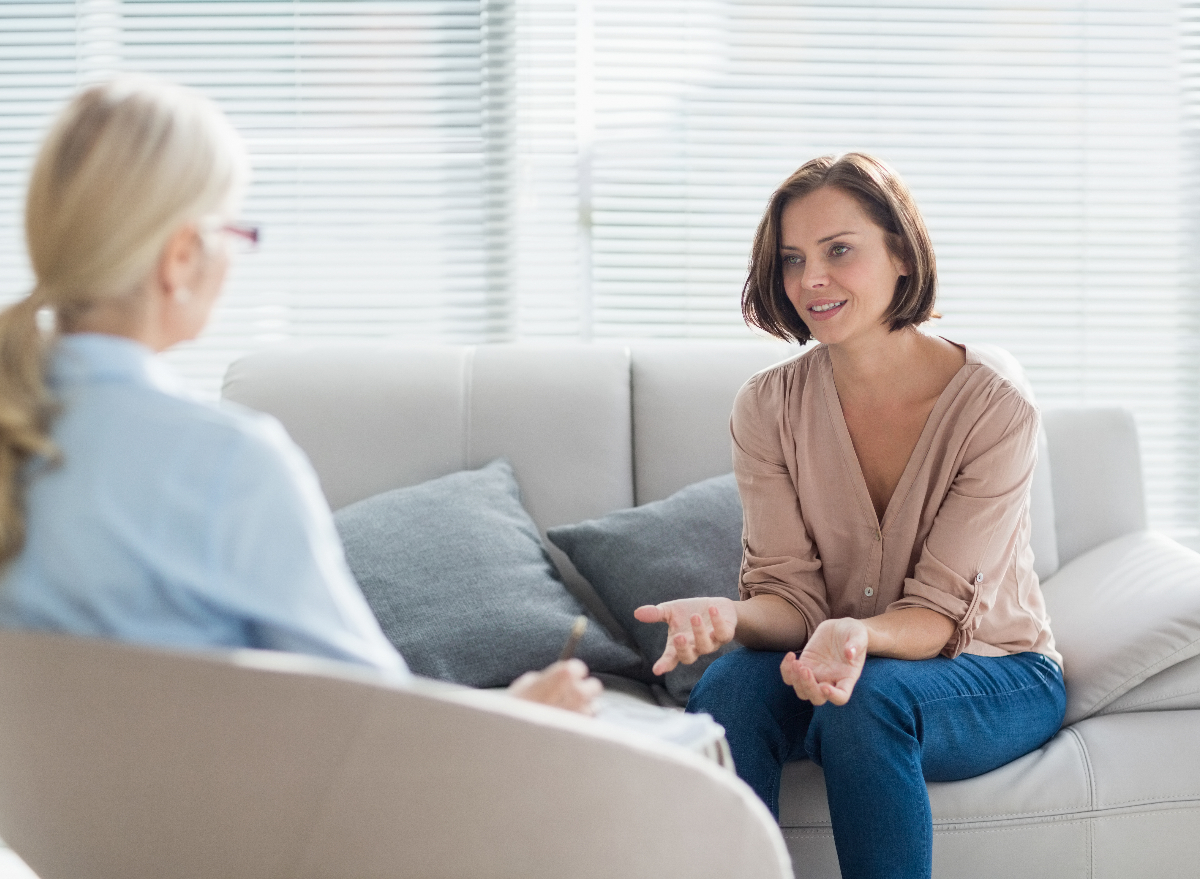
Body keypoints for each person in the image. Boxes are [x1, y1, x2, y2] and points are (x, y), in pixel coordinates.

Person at [0, 75, 599, 715]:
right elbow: (372, 733)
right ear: (179, 258)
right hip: (204, 816)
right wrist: (523, 714)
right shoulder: (226, 463)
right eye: (234, 232)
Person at [634, 153, 1066, 879]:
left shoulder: (995, 409)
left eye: (839, 250)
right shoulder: (766, 407)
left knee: (865, 700)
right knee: (729, 687)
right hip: (836, 660)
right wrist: (730, 617)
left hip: (992, 668)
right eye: (792, 259)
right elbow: (792, 600)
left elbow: (935, 617)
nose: (811, 281)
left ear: (900, 251)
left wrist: (854, 634)